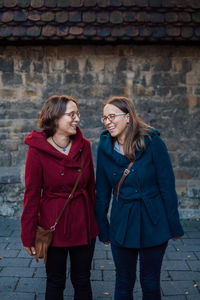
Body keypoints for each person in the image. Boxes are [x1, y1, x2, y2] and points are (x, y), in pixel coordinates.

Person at [95, 96, 184, 300]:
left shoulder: (153, 142)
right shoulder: (104, 148)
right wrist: (103, 229)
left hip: (154, 220)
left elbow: (167, 187)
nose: (108, 121)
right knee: (124, 283)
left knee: (150, 283)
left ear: (127, 117)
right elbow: (101, 191)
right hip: (122, 222)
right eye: (104, 118)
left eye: (112, 116)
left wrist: (173, 225)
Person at [21, 95, 99, 300]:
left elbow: (91, 189)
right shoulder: (37, 150)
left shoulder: (85, 146)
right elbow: (31, 194)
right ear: (55, 118)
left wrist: (97, 224)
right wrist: (27, 234)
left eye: (78, 114)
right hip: (52, 223)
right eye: (71, 114)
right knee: (55, 281)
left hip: (83, 223)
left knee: (82, 280)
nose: (77, 119)